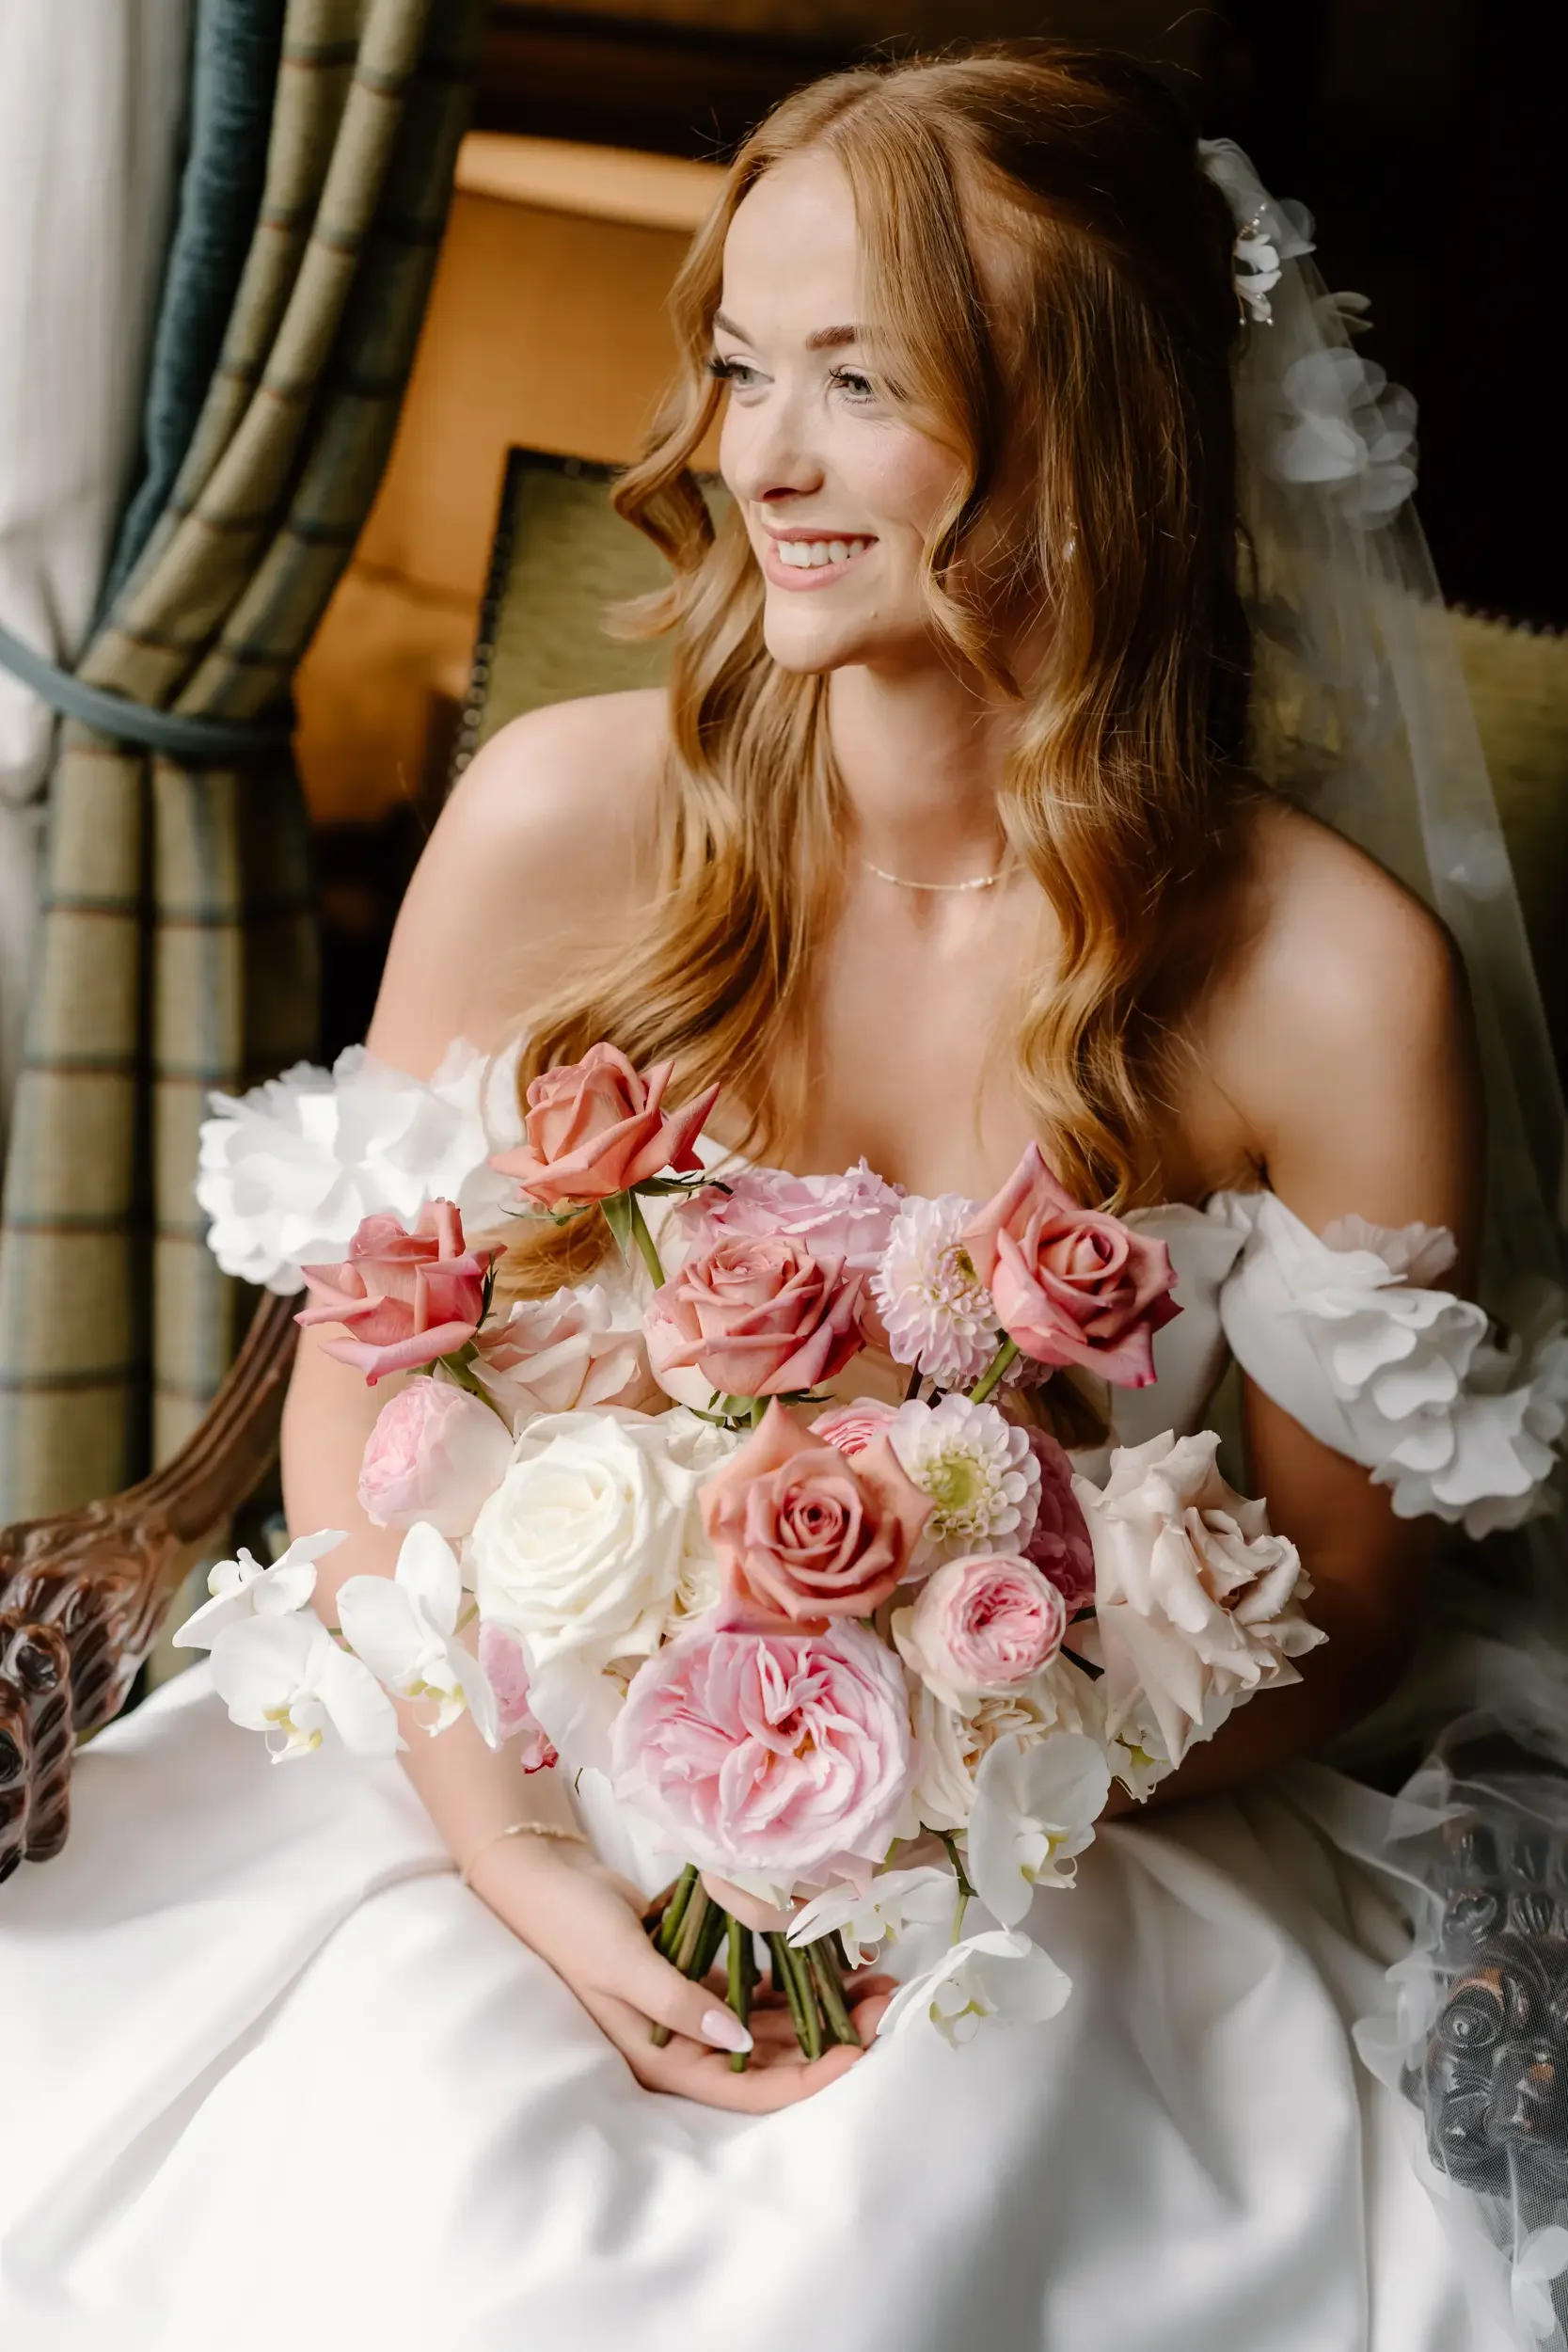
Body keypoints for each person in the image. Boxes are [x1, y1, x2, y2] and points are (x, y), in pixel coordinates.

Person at [0, 42, 1559, 2352]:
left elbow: (1346, 1595)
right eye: (739, 363)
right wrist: (536, 1832)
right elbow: (359, 1393)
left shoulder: (1328, 982)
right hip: (473, 1770)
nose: (759, 454)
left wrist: (953, 1780)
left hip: (1054, 1864)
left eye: (857, 379)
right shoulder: (559, 819)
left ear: (1092, 432)